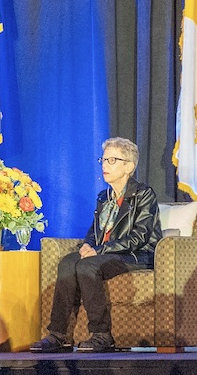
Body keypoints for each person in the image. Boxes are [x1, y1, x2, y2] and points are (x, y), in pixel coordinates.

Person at [28, 137, 160, 353]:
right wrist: (88, 246)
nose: (105, 165)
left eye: (112, 160)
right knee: (69, 262)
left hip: (136, 255)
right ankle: (58, 334)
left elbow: (140, 238)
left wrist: (98, 250)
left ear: (129, 166)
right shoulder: (104, 196)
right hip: (105, 253)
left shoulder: (143, 194)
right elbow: (95, 231)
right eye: (104, 160)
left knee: (87, 266)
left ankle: (101, 334)